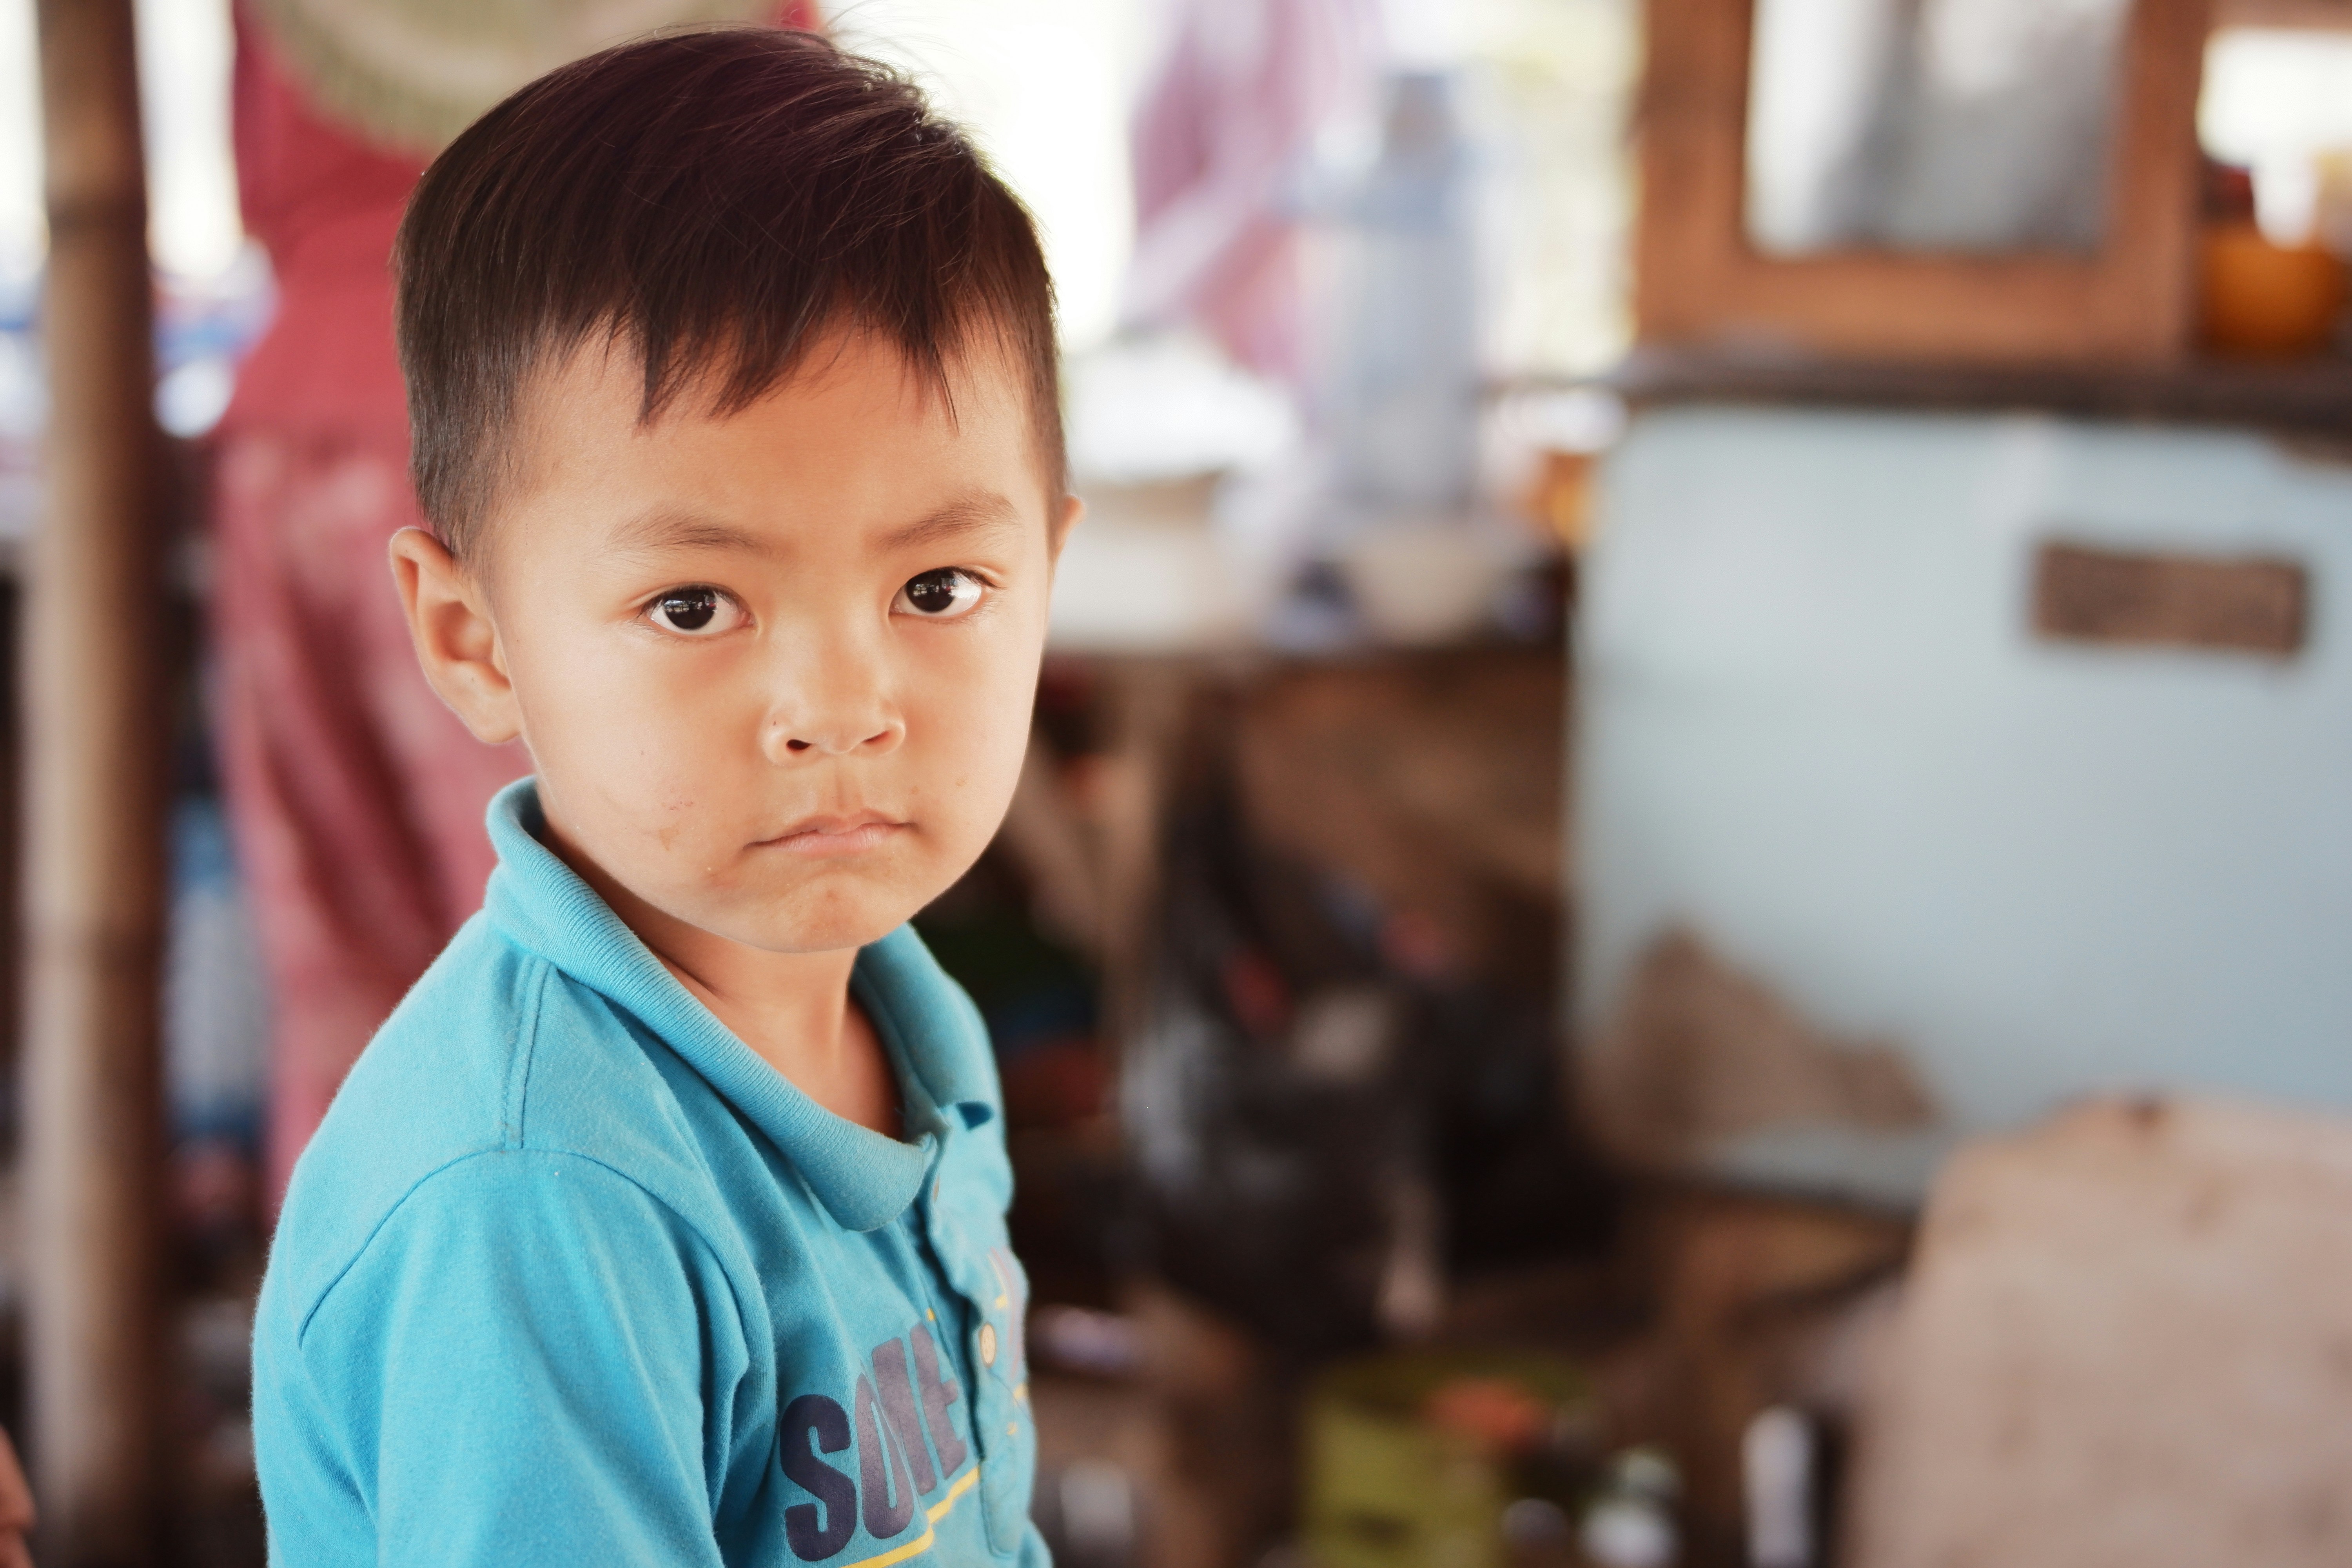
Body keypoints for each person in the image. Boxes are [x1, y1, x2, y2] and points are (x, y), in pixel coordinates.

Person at [249, 29, 1073, 1565]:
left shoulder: (909, 1021)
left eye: (939, 587)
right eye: (695, 606)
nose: (841, 710)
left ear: (1049, 573)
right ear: (474, 640)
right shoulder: (534, 1204)